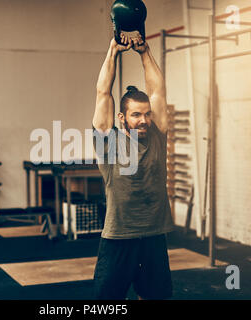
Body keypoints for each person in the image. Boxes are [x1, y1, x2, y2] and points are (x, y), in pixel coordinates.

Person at [92, 35, 174, 300]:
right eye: (136, 115)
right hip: (119, 236)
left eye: (147, 114)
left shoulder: (157, 135)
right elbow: (103, 92)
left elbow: (158, 90)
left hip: (153, 235)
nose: (143, 120)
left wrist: (144, 51)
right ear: (122, 118)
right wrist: (113, 50)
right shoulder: (109, 141)